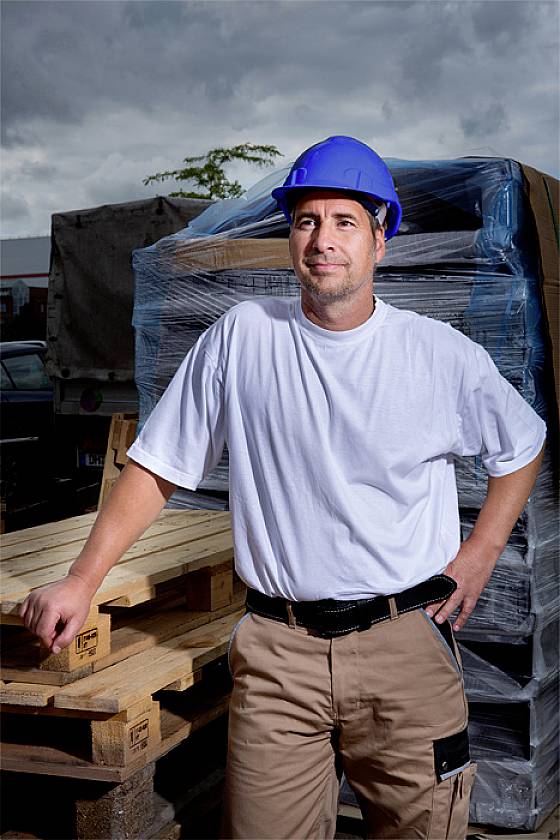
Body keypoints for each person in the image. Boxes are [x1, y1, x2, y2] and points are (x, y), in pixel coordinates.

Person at [21, 136, 546, 840]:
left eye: (345, 222)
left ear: (380, 239)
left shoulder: (437, 355)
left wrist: (481, 550)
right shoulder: (243, 338)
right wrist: (81, 583)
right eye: (307, 221)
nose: (323, 240)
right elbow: (157, 467)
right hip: (279, 653)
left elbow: (524, 443)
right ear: (290, 237)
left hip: (405, 650)